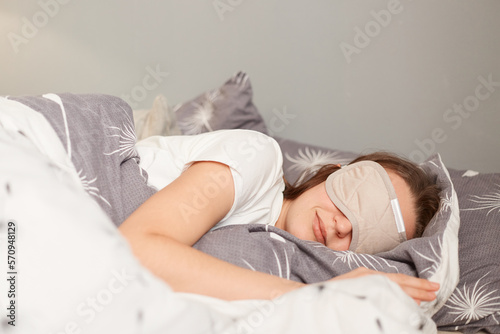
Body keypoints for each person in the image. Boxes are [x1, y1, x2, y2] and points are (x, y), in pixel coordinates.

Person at [119, 129, 441, 303]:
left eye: (369, 234)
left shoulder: (281, 260)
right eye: (357, 198)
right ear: (331, 172)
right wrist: (315, 298)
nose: (343, 224)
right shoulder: (258, 157)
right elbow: (134, 250)